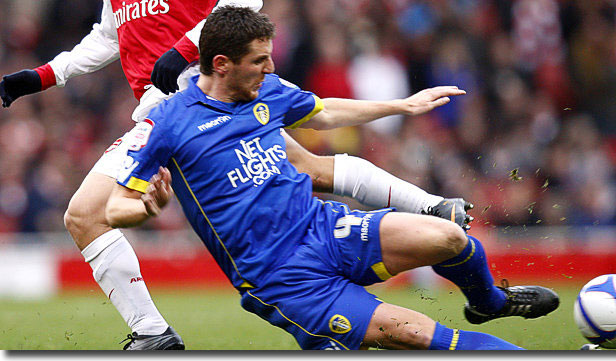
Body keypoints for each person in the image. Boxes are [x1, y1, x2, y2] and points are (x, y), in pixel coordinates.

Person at [0, 0, 474, 350]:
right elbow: (107, 39)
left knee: (84, 216)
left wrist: (185, 48)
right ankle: (430, 208)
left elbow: (243, 6)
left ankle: (152, 334)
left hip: (201, 99)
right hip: (180, 109)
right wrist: (39, 77)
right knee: (310, 167)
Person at [106, 6, 559, 350]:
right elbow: (114, 206)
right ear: (222, 64)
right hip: (280, 276)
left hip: (323, 228)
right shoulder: (168, 121)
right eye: (260, 60)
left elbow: (324, 111)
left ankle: (489, 304)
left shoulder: (266, 91)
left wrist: (402, 105)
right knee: (421, 334)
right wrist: (146, 206)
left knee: (448, 238)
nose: (271, 69)